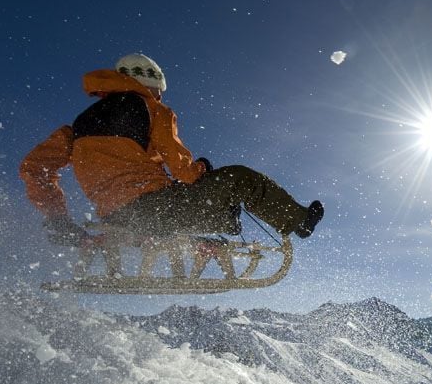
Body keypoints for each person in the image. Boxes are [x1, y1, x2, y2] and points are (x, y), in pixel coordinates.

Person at [20, 53, 323, 245]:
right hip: (155, 210)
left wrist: (57, 218)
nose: (160, 97)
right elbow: (184, 172)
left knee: (201, 202)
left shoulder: (75, 127)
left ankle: (211, 224)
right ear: (148, 82)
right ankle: (298, 221)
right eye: (159, 91)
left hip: (116, 217)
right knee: (240, 178)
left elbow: (34, 167)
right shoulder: (153, 109)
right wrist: (201, 168)